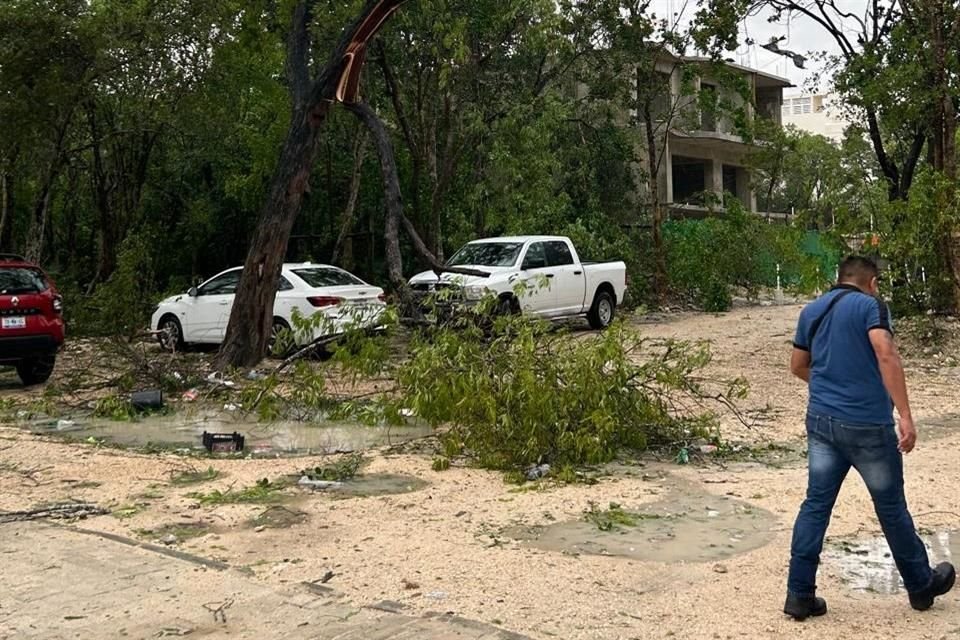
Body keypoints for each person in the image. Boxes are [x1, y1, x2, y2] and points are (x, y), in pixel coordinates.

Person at [784, 256, 955, 620]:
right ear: (872, 283)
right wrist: (905, 414)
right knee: (891, 507)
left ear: (840, 278)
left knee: (816, 504)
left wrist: (829, 384)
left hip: (822, 422)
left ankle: (799, 594)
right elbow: (885, 353)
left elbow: (798, 366)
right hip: (868, 426)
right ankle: (920, 585)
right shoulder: (871, 307)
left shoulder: (811, 311)